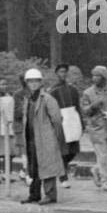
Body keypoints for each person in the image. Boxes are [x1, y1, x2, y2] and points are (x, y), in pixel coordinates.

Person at [20, 68, 66, 204]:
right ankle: (34, 194)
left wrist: (53, 137)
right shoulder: (28, 99)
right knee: (33, 167)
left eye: (36, 81)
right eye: (30, 81)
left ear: (41, 82)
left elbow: (57, 120)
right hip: (31, 138)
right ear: (27, 83)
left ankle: (50, 195)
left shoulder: (47, 99)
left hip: (45, 138)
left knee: (48, 166)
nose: (33, 84)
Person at [81, 66, 107, 191]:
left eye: (97, 75)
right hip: (96, 129)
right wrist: (93, 106)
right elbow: (84, 111)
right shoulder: (88, 93)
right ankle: (106, 181)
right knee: (103, 155)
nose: (94, 78)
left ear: (104, 77)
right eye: (93, 75)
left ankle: (96, 170)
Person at [50, 63, 82, 188]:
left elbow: (77, 107)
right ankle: (63, 177)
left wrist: (81, 122)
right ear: (56, 73)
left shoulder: (72, 90)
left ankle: (60, 166)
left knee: (73, 150)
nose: (63, 74)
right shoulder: (53, 91)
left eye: (65, 72)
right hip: (61, 122)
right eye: (61, 72)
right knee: (64, 149)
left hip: (72, 120)